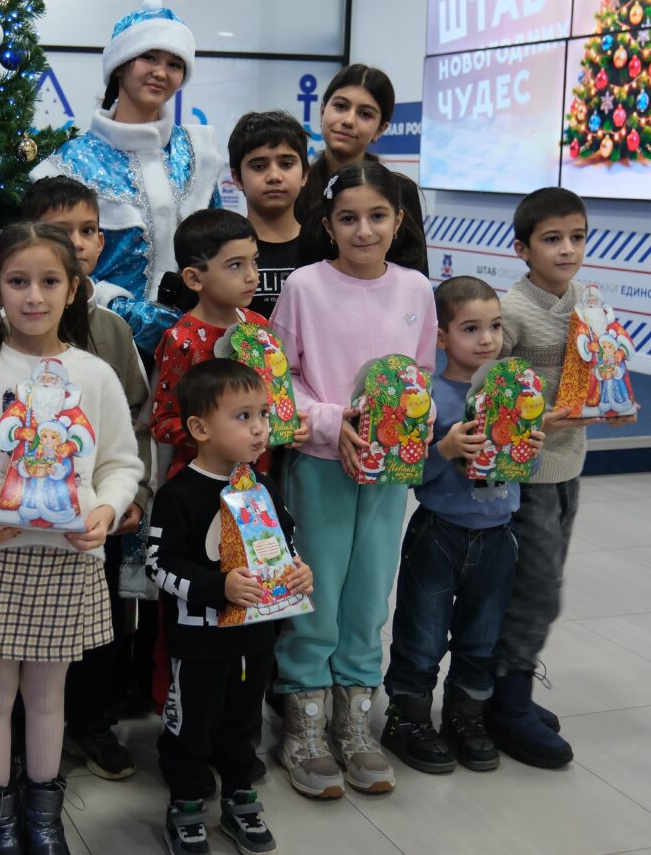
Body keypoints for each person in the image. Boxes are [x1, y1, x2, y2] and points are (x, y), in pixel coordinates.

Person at [0, 223, 143, 853]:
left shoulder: (94, 375)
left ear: (73, 289)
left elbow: (121, 462)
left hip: (69, 560)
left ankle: (44, 817)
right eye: (18, 281)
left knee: (49, 697)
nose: (34, 296)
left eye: (49, 281)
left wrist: (106, 510)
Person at [269, 161, 437, 799]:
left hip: (390, 471)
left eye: (377, 217)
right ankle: (304, 724)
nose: (363, 230)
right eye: (348, 218)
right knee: (315, 591)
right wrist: (330, 421)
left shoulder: (416, 289)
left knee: (369, 593)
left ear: (399, 221)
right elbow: (279, 378)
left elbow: (420, 375)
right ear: (328, 224)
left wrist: (414, 423)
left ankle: (354, 720)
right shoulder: (305, 287)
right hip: (320, 464)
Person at [485, 187, 637, 768]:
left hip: (570, 466)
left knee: (545, 582)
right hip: (526, 475)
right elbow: (489, 396)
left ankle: (507, 689)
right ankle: (507, 703)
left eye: (577, 237)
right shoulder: (512, 313)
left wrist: (611, 401)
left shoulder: (587, 304)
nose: (568, 249)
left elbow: (597, 377)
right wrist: (535, 419)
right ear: (522, 249)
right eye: (552, 239)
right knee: (538, 588)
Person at [147, 359, 313, 855]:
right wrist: (217, 587)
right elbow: (158, 564)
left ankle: (240, 797)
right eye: (243, 416)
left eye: (263, 413)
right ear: (200, 429)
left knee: (244, 723)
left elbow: (283, 543)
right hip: (198, 642)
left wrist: (297, 570)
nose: (260, 427)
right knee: (191, 726)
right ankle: (186, 805)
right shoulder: (178, 494)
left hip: (255, 639)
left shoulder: (262, 487)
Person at [381, 277, 545, 775]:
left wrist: (529, 449)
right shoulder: (428, 396)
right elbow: (410, 473)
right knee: (422, 632)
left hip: (498, 535)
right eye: (470, 328)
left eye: (494, 326)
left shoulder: (513, 393)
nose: (487, 339)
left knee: (482, 635)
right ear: (441, 336)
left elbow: (522, 470)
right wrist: (444, 449)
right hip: (439, 533)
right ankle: (408, 717)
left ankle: (465, 716)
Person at [24, 175, 155, 781]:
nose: (76, 242)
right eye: (60, 230)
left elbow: (138, 419)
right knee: (30, 628)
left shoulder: (113, 330)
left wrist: (135, 494)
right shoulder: (4, 325)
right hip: (23, 522)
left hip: (95, 516)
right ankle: (26, 731)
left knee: (100, 625)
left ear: (101, 242)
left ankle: (91, 722)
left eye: (88, 230)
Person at [31, 0, 224, 353]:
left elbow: (218, 245)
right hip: (96, 340)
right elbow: (48, 261)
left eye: (174, 64)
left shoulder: (199, 154)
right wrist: (119, 310)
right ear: (120, 64)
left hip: (193, 345)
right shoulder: (70, 164)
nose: (161, 73)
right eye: (148, 57)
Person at [151, 210, 267, 481]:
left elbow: (273, 394)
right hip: (202, 481)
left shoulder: (259, 325)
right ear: (194, 279)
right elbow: (163, 422)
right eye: (235, 265)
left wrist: (287, 422)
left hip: (257, 479)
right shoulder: (182, 340)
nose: (252, 276)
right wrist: (214, 437)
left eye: (254, 262)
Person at [293, 64, 428, 275]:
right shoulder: (297, 186)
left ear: (380, 129)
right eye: (340, 106)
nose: (348, 120)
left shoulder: (401, 190)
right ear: (322, 110)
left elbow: (417, 277)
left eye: (365, 114)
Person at [226, 111, 309, 320]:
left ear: (305, 174)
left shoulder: (325, 247)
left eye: (286, 164)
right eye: (259, 167)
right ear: (237, 178)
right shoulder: (221, 251)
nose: (274, 176)